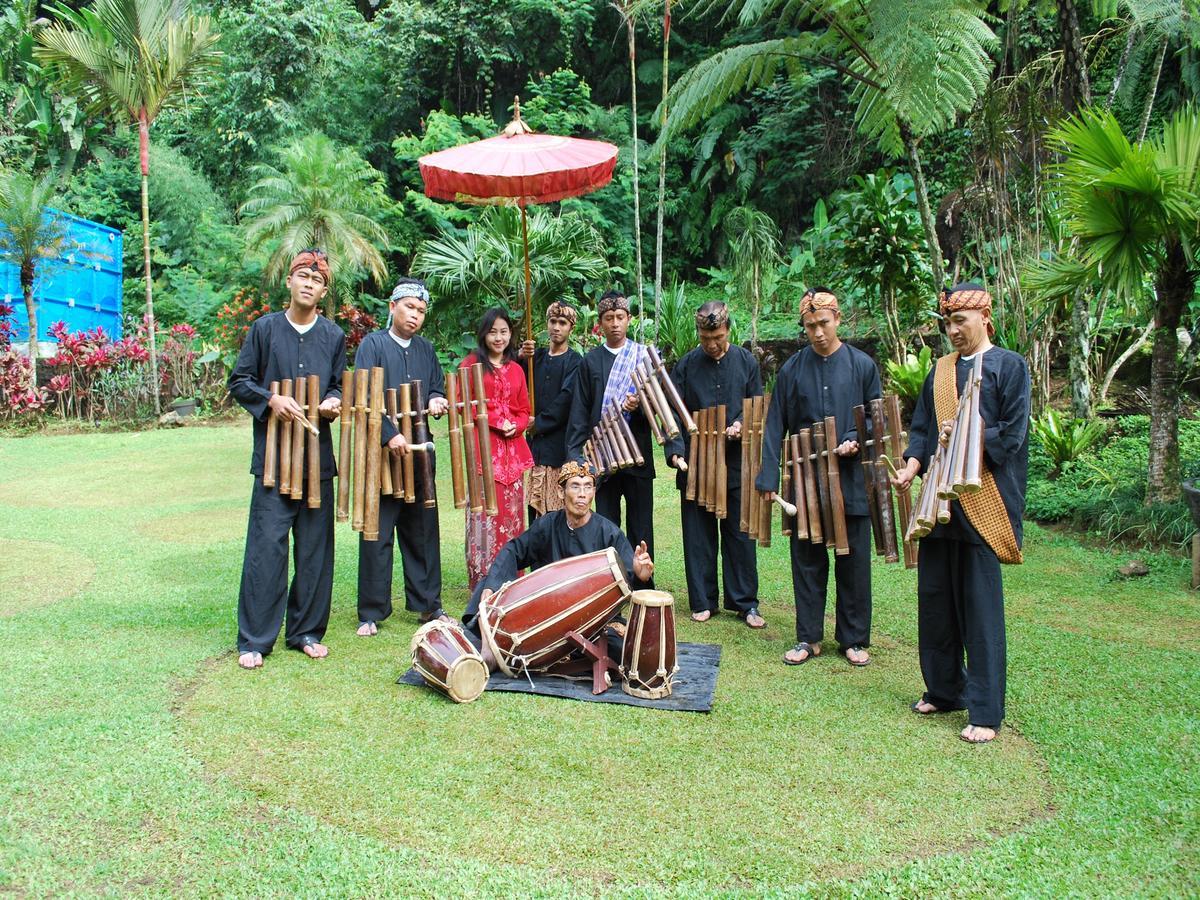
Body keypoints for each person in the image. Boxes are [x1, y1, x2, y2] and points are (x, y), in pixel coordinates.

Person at [891, 282, 1029, 745]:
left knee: (979, 609)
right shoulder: (941, 371)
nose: (952, 330)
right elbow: (923, 429)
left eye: (960, 321)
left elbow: (1010, 437)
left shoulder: (1010, 367)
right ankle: (944, 690)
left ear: (983, 318)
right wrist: (912, 463)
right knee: (935, 601)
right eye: (947, 322)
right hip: (938, 501)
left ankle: (986, 711)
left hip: (983, 501)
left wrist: (968, 438)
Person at [228, 249, 345, 669]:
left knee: (315, 550)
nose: (309, 283)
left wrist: (333, 401)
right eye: (302, 276)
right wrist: (271, 398)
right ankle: (255, 639)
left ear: (324, 291)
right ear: (290, 282)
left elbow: (337, 386)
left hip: (316, 460)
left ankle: (307, 631)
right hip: (274, 461)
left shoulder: (334, 336)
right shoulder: (264, 330)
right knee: (266, 549)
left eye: (317, 280)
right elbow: (239, 382)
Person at [756, 288, 881, 667]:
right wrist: (768, 477)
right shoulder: (793, 369)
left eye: (824, 323)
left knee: (853, 560)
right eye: (810, 326)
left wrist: (855, 439)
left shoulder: (862, 366)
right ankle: (808, 636)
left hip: (851, 479)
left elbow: (876, 417)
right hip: (805, 482)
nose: (818, 332)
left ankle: (854, 638)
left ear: (838, 319)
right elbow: (774, 422)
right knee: (807, 559)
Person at [354, 278, 450, 636]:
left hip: (419, 455)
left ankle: (428, 605)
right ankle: (371, 611)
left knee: (423, 531)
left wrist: (436, 401)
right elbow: (364, 396)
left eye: (421, 310)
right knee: (377, 533)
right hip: (382, 456)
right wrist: (387, 433)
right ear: (392, 307)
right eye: (409, 307)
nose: (415, 315)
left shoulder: (425, 349)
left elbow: (436, 388)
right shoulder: (372, 345)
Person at [664, 301, 765, 626]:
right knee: (698, 536)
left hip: (736, 463)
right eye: (706, 338)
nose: (712, 344)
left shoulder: (746, 361)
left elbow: (757, 404)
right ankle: (703, 600)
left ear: (728, 331)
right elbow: (673, 415)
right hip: (696, 463)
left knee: (740, 534)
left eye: (718, 337)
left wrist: (740, 424)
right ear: (699, 334)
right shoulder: (686, 365)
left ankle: (745, 602)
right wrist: (676, 451)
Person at [463, 461, 654, 624]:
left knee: (621, 650)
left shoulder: (609, 534)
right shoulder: (547, 525)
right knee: (490, 581)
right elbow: (514, 551)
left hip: (595, 621)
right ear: (561, 492)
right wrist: (492, 587)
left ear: (594, 492)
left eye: (588, 486)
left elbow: (630, 583)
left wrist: (640, 576)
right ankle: (476, 631)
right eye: (575, 486)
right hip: (549, 615)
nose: (582, 493)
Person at [565, 290, 656, 589]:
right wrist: (577, 456)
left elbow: (660, 407)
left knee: (641, 525)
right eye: (608, 318)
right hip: (601, 458)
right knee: (605, 524)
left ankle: (642, 584)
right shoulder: (590, 362)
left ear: (629, 320)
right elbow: (579, 411)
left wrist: (640, 403)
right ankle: (610, 586)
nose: (615, 323)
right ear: (600, 324)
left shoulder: (643, 357)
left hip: (638, 455)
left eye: (620, 317)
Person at [461, 307, 533, 591]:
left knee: (513, 516)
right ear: (484, 334)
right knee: (485, 514)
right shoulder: (470, 365)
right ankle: (482, 578)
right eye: (493, 332)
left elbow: (525, 410)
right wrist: (494, 420)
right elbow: (463, 404)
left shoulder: (517, 369)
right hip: (483, 451)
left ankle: (511, 577)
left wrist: (514, 424)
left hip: (512, 453)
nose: (499, 337)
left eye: (504, 332)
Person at [519, 301, 583, 522]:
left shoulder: (575, 361)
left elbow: (566, 400)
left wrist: (538, 423)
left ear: (570, 328)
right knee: (533, 505)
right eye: (553, 321)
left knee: (556, 507)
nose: (556, 327)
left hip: (558, 444)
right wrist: (520, 356)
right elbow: (518, 383)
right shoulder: (534, 357)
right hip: (534, 446)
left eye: (562, 323)